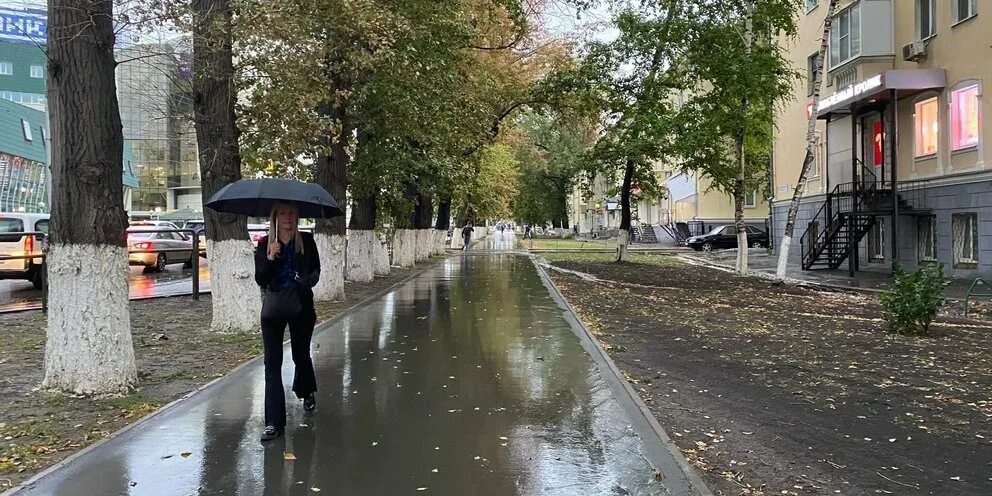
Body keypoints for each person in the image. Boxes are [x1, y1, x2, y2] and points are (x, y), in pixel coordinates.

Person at [254, 202, 321, 441]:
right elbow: (260, 278)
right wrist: (271, 258)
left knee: (300, 355)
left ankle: (306, 391)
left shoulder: (307, 241)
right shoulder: (264, 244)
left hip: (301, 308)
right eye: (283, 213)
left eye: (291, 213)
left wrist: (301, 282)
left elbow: (315, 272)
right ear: (275, 217)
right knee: (272, 365)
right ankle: (274, 423)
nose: (288, 217)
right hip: (273, 311)